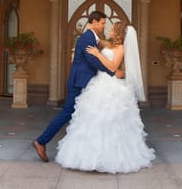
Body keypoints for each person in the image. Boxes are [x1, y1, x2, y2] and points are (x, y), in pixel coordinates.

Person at [55, 22, 155, 174]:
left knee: (109, 121)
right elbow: (97, 39)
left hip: (110, 85)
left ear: (119, 33)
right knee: (92, 120)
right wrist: (89, 29)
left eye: (113, 29)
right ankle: (87, 157)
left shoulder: (121, 48)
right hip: (98, 83)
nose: (110, 29)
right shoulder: (109, 44)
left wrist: (97, 55)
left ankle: (110, 159)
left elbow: (113, 67)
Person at [33, 11, 124, 162]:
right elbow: (92, 62)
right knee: (68, 112)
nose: (104, 26)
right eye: (102, 23)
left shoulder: (93, 38)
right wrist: (112, 72)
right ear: (94, 22)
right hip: (79, 82)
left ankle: (87, 152)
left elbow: (107, 48)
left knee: (88, 114)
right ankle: (41, 141)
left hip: (85, 81)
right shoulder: (88, 37)